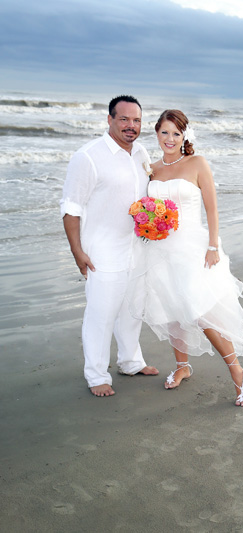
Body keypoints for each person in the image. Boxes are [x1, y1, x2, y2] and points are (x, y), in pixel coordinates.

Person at [127, 109, 243, 407]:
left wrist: (213, 246)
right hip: (159, 249)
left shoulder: (197, 163)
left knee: (201, 311)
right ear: (156, 133)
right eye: (164, 132)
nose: (170, 139)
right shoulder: (150, 169)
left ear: (185, 136)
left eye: (176, 134)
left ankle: (238, 372)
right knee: (171, 308)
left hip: (193, 248)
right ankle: (182, 366)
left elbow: (212, 209)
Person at [61, 95, 159, 397]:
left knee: (133, 309)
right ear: (110, 120)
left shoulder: (141, 153)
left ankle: (130, 361)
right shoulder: (88, 156)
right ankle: (96, 375)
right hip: (102, 251)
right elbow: (70, 208)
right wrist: (78, 252)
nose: (131, 126)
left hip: (137, 247)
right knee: (101, 314)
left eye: (137, 120)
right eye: (124, 119)